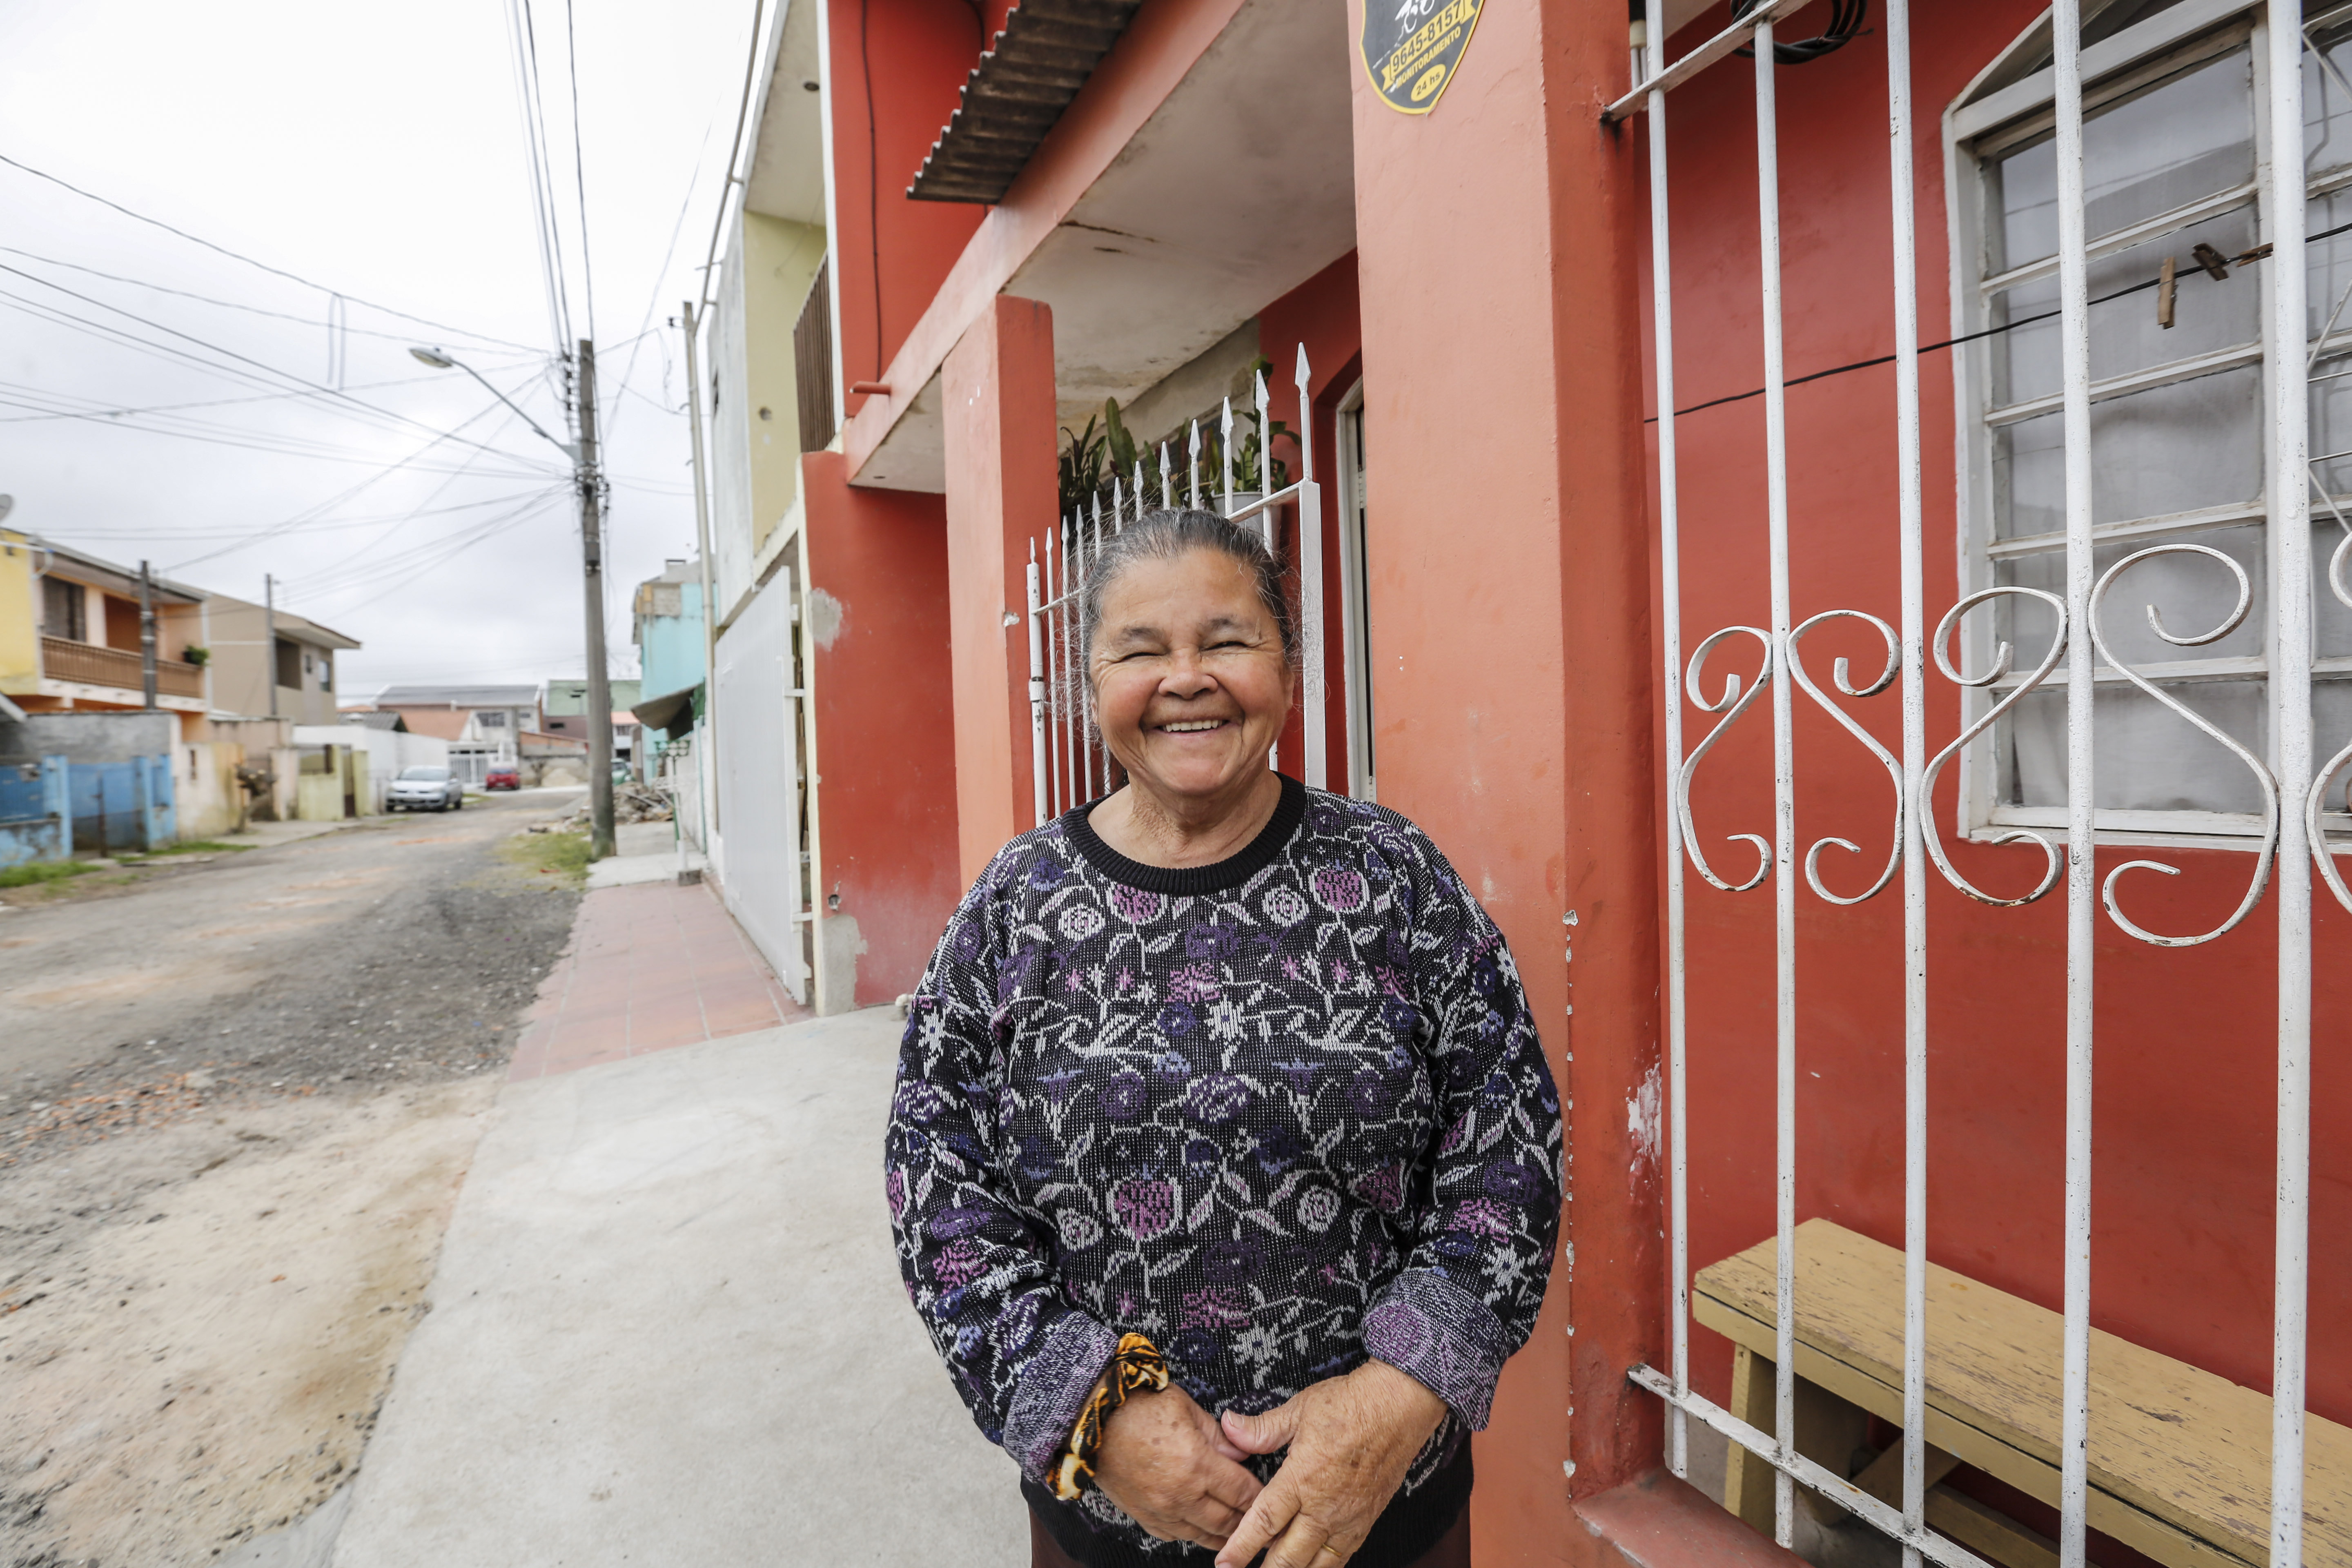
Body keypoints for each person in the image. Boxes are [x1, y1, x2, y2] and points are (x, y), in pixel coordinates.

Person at [886, 509, 1561, 1568]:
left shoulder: (1394, 878)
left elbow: (1510, 1141)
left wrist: (1400, 1397)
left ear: (1288, 669)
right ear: (1088, 687)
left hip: (1383, 1515)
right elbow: (937, 1183)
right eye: (1140, 651)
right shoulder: (1015, 906)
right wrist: (1090, 1411)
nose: (1186, 678)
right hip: (1108, 1528)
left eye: (1228, 641)